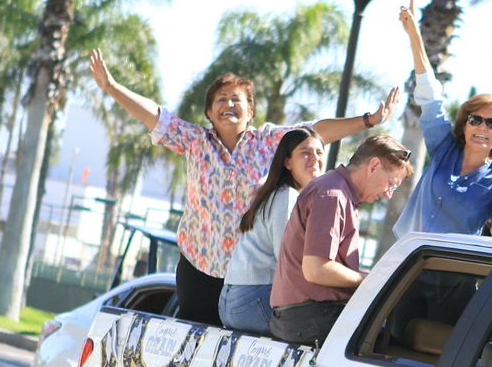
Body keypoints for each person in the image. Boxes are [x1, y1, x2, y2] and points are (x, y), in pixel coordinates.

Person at [88, 49, 401, 326]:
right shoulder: (196, 142)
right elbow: (156, 117)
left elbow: (317, 131)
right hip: (199, 271)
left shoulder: (268, 142)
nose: (228, 105)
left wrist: (368, 120)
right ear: (209, 113)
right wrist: (111, 87)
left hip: (247, 281)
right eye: (220, 100)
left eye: (236, 100)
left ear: (251, 112)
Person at [391, 0, 492, 240]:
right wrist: (415, 35)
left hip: (451, 275)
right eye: (476, 120)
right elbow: (430, 96)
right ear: (465, 124)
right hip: (404, 261)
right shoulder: (444, 147)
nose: (482, 127)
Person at [269, 134, 412, 347]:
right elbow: (316, 269)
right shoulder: (332, 195)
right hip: (310, 317)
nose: (388, 195)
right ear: (374, 166)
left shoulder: (338, 192)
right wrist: (370, 280)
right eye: (391, 184)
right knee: (400, 354)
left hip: (310, 316)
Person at [219, 128, 325, 333]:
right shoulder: (287, 196)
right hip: (253, 299)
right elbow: (287, 261)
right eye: (305, 152)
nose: (314, 158)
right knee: (322, 333)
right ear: (287, 162)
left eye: (319, 152)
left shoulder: (275, 193)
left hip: (232, 299)